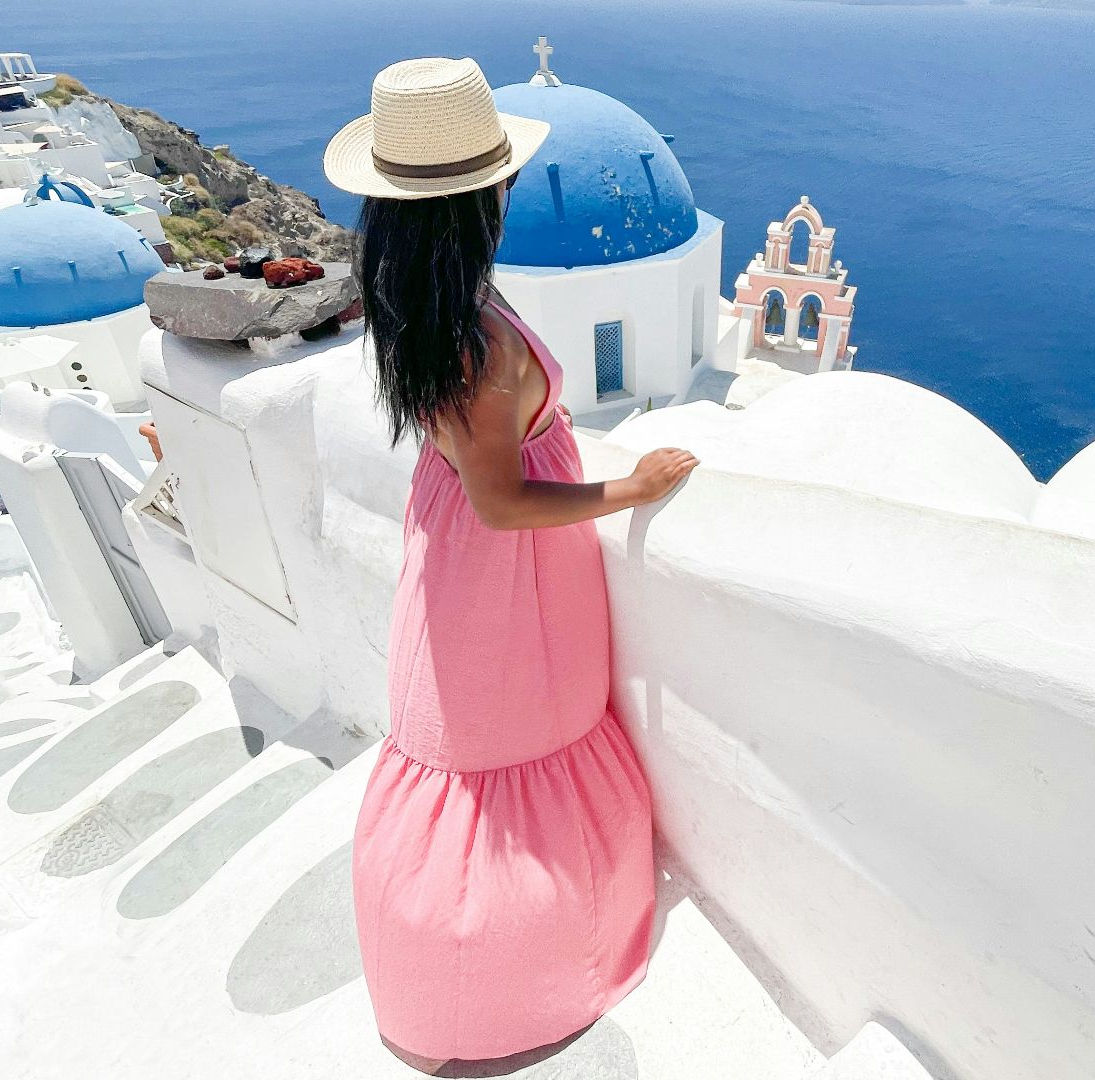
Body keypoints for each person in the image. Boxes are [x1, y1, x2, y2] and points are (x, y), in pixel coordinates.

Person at [323, 57, 698, 1069]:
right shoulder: (479, 343)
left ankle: (450, 976)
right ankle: (512, 984)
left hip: (451, 553)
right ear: (479, 200)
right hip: (512, 572)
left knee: (467, 748)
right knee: (524, 742)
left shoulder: (411, 301)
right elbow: (503, 500)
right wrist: (629, 488)